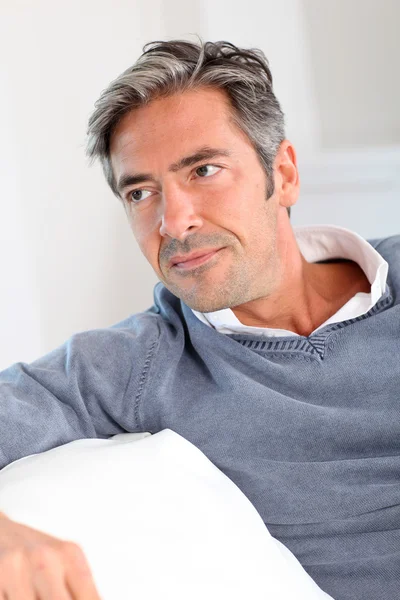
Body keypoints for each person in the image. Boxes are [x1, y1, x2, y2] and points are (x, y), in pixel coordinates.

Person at [0, 39, 399, 600]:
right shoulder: (138, 363)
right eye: (140, 192)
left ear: (282, 174)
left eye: (204, 170)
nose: (173, 221)